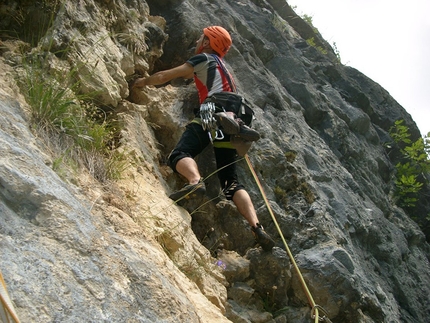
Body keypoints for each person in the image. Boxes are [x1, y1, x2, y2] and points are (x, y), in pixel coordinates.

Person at [132, 26, 275, 251]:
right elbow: (193, 77)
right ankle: (258, 228)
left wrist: (142, 82)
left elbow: (166, 75)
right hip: (236, 112)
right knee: (231, 182)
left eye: (203, 37)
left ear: (208, 42)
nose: (199, 39)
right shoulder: (225, 68)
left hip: (213, 109)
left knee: (180, 154)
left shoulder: (203, 58)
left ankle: (195, 183)